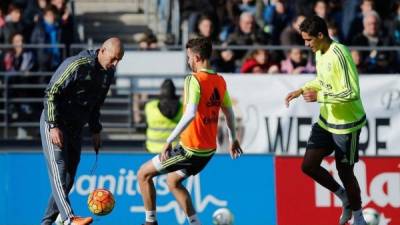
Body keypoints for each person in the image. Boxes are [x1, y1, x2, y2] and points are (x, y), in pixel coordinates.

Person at [137, 37, 243, 225]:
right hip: (208, 150)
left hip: (190, 150)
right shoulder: (219, 80)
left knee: (143, 174)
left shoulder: (193, 80)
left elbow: (190, 113)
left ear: (196, 58)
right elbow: (229, 112)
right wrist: (233, 139)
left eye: (189, 57)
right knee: (173, 182)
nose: (188, 62)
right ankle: (195, 222)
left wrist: (169, 141)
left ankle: (150, 222)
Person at [285, 16, 367, 225]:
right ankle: (344, 197)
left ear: (320, 36)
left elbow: (352, 92)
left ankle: (359, 218)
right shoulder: (320, 52)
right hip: (326, 119)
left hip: (346, 125)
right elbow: (323, 81)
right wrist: (303, 89)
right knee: (308, 165)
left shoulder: (340, 53)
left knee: (345, 171)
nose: (306, 45)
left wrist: (320, 97)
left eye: (308, 40)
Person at [40, 37, 124, 225]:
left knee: (69, 178)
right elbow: (51, 93)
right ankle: (69, 218)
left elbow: (96, 104)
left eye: (119, 60)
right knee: (59, 172)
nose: (115, 64)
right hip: (55, 123)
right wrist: (53, 125)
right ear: (102, 51)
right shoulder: (77, 64)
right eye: (114, 58)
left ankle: (46, 222)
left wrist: (95, 130)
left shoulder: (108, 74)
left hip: (75, 128)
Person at [144, 79, 183, 153]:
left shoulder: (150, 106)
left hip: (152, 150)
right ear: (174, 92)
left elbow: (145, 125)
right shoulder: (182, 107)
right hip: (174, 151)